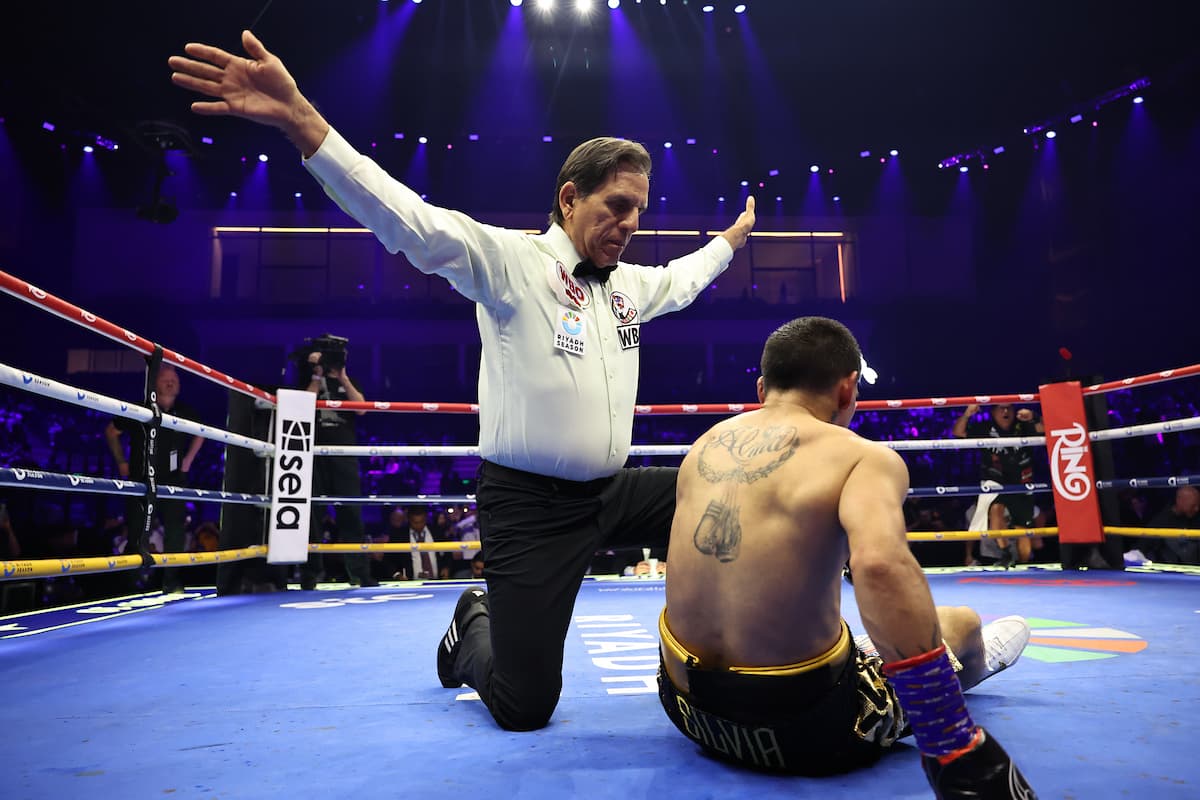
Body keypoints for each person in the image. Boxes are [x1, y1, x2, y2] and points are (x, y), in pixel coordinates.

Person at [170, 30, 756, 732]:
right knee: (524, 705)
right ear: (569, 199)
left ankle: (729, 659)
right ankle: (470, 623)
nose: (630, 224)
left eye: (638, 209)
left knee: (731, 495)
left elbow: (684, 280)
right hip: (529, 505)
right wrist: (304, 122)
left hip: (613, 493)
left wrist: (730, 241)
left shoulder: (628, 285)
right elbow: (405, 219)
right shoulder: (508, 263)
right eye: (615, 206)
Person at [659, 317, 1035, 795]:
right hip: (803, 731)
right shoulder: (863, 457)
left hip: (686, 708)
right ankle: (974, 668)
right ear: (847, 389)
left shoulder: (702, 447)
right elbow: (878, 567)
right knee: (960, 623)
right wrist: (949, 738)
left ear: (761, 388)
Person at [104, 364, 203, 593]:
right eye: (166, 379)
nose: (171, 382)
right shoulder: (140, 409)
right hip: (141, 479)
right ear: (154, 384)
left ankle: (171, 582)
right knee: (137, 532)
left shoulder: (185, 412)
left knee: (176, 533)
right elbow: (111, 431)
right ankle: (130, 585)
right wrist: (121, 462)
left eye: (175, 380)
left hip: (174, 480)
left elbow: (201, 432)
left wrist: (188, 460)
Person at [297, 345, 377, 589]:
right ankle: (310, 575)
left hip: (344, 457)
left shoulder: (350, 382)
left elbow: (362, 408)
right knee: (312, 517)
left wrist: (343, 376)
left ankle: (359, 574)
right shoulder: (309, 380)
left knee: (351, 515)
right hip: (316, 456)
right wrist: (316, 375)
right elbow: (302, 408)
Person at [953, 403, 1044, 567]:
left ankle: (1023, 564)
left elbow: (1050, 428)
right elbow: (958, 432)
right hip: (995, 480)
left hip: (1022, 481)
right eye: (1001, 408)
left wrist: (1034, 416)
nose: (1005, 411)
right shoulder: (985, 428)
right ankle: (1006, 552)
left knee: (1022, 528)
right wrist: (967, 414)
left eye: (1009, 408)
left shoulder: (1023, 426)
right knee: (995, 509)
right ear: (993, 412)